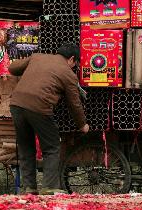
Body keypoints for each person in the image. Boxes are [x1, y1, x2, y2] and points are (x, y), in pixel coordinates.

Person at [8, 44, 89, 195]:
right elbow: (74, 103)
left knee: (26, 147)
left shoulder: (37, 57)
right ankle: (49, 187)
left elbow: (12, 68)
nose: (75, 67)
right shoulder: (68, 74)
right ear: (72, 59)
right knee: (52, 147)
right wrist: (82, 124)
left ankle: (29, 188)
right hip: (39, 107)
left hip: (16, 105)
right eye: (76, 63)